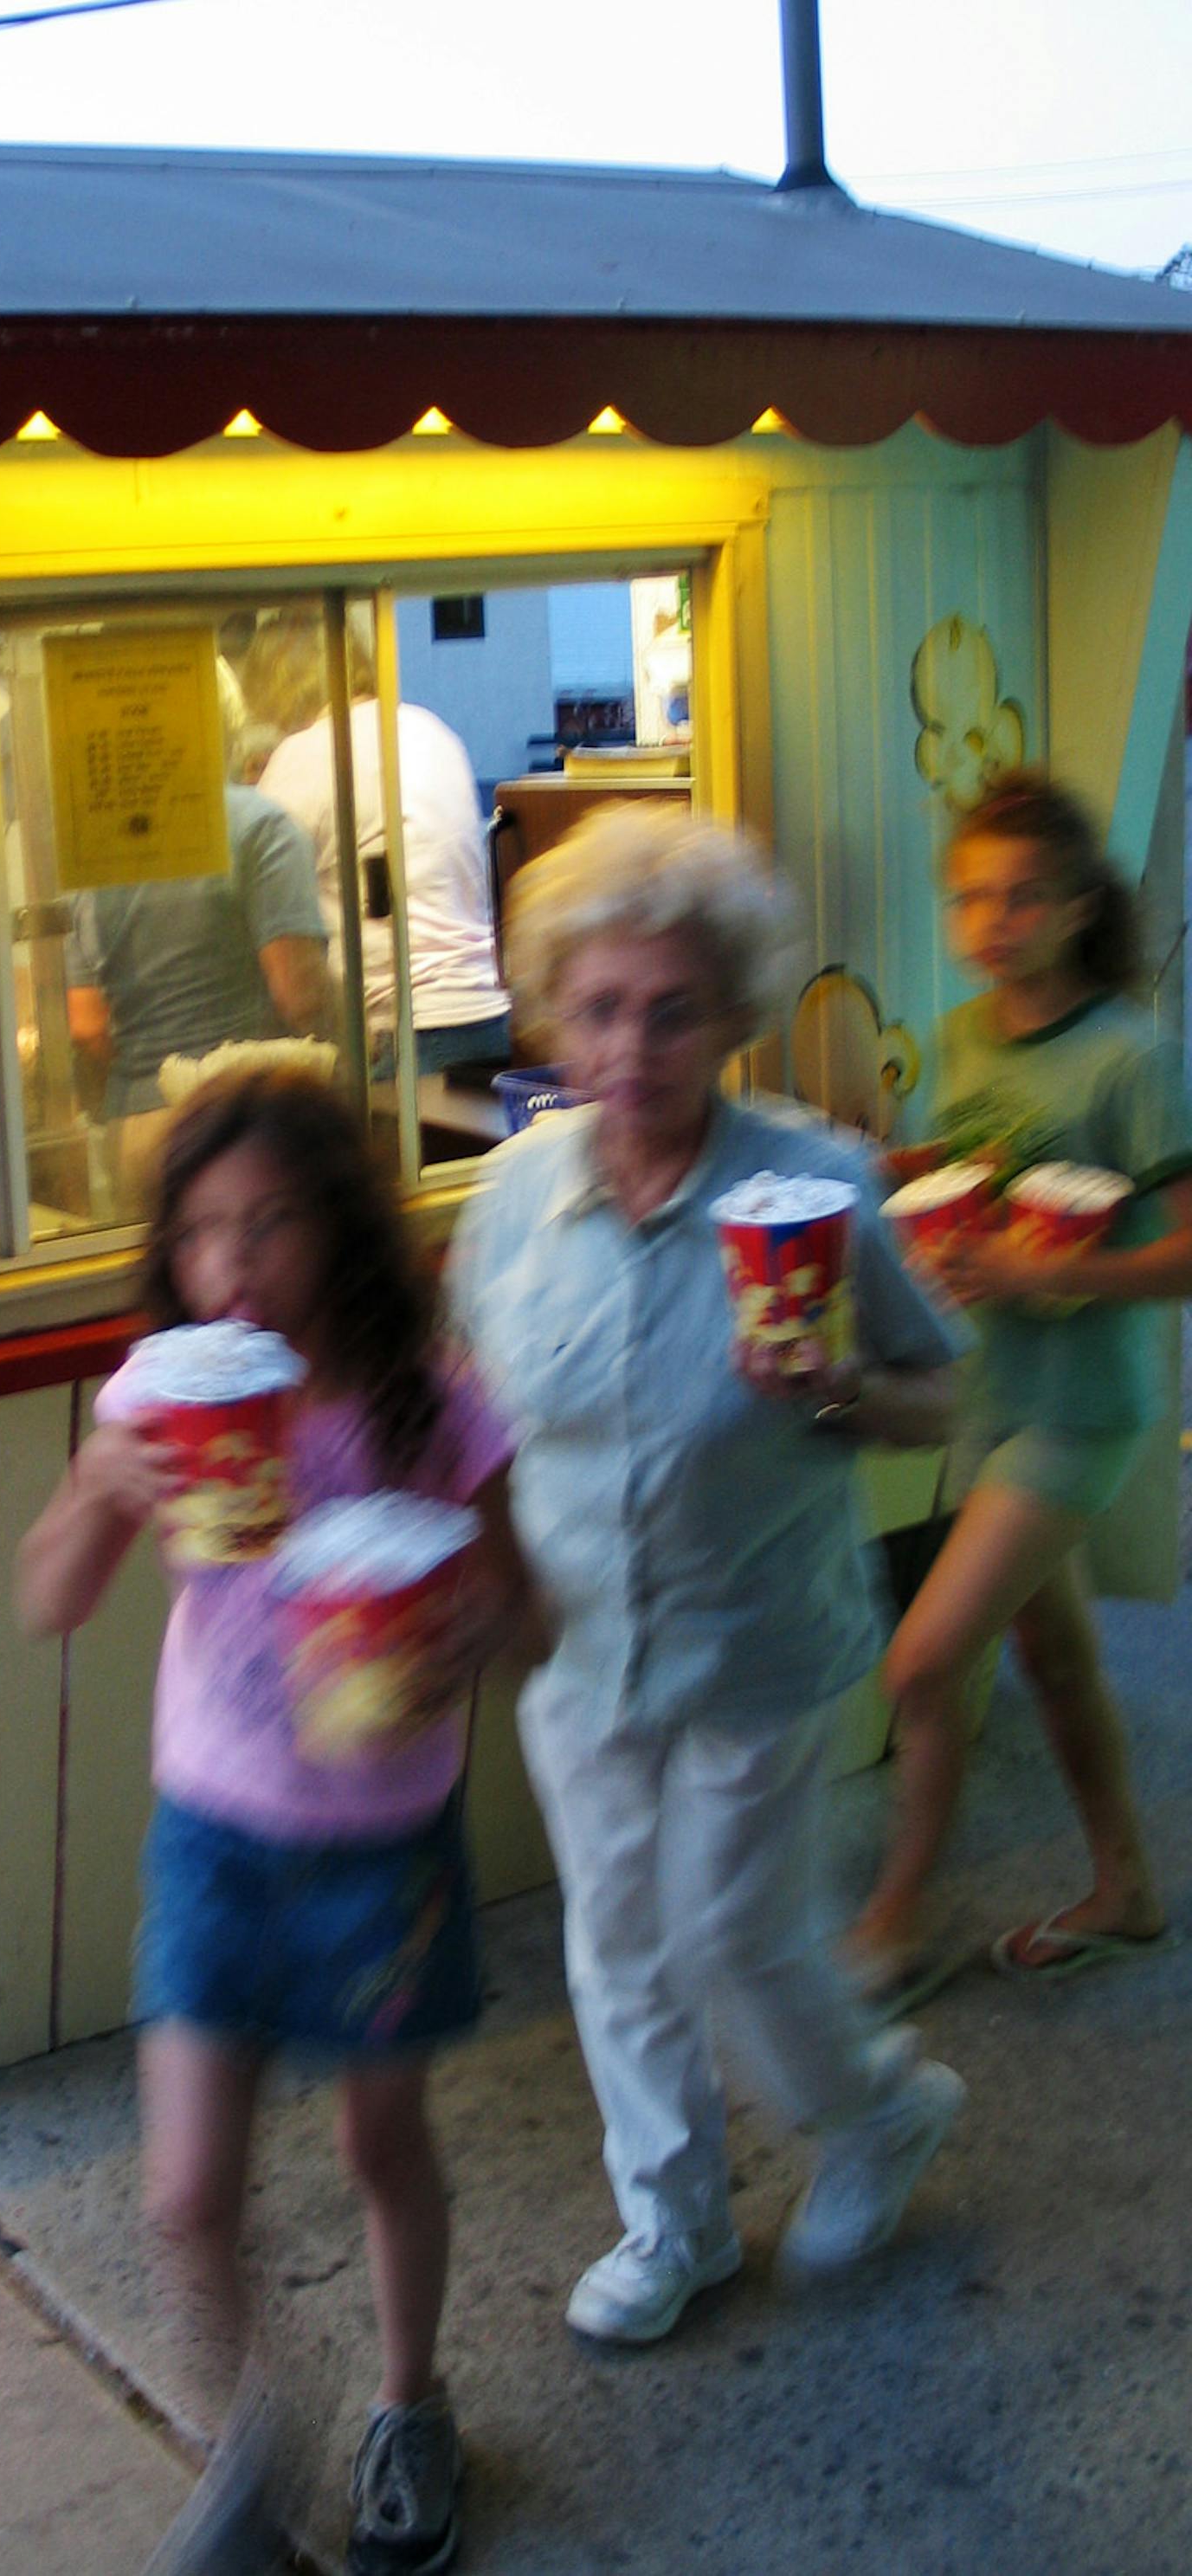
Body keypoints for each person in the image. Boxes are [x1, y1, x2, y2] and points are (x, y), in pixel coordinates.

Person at [449, 804, 967, 2347]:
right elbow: (472, 1400)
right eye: (600, 1006)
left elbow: (937, 1393)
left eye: (672, 1010)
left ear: (734, 1013)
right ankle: (671, 2224)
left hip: (757, 1646)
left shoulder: (820, 1186)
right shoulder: (508, 1201)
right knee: (614, 1942)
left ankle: (879, 2112)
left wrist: (836, 1396)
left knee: (735, 1933)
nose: (631, 1046)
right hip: (583, 1649)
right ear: (555, 1008)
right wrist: (471, 1570)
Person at [16, 1070, 527, 2576]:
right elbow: (50, 1600)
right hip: (214, 1837)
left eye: (274, 1222)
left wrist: (472, 1627)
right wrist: (104, 1484)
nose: (233, 1261)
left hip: (384, 1850)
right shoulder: (158, 1399)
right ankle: (251, 2437)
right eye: (201, 1230)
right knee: (184, 2193)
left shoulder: (423, 1395)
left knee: (383, 2142)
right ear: (169, 1252)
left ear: (342, 1231)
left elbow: (526, 1599)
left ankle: (409, 2405)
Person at [847, 775, 1192, 1997]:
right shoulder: (959, 1036)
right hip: (993, 1390)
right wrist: (918, 1181)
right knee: (1053, 1658)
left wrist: (1056, 1268)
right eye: (971, 896)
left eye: (1024, 894)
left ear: (1079, 905)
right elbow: (974, 1186)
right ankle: (1128, 1888)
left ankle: (895, 1918)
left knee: (925, 1663)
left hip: (1083, 1407)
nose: (994, 919)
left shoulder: (1133, 1053)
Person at [67, 784, 331, 1216]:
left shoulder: (99, 853)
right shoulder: (261, 826)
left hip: (135, 1134)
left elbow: (87, 1025)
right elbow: (299, 996)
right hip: (244, 1128)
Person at [257, 626, 511, 1075]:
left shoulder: (303, 755)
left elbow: (266, 900)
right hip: (485, 1013)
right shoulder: (431, 729)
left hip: (397, 1027)